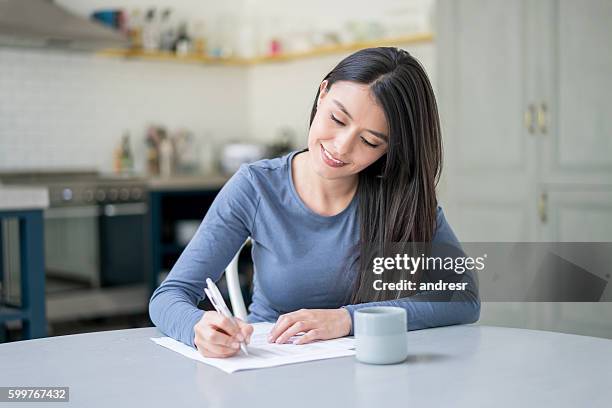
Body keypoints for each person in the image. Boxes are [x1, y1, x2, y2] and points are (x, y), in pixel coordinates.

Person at [149, 47, 480, 358]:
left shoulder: (401, 197)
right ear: (323, 94)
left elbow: (462, 297)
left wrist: (347, 319)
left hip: (373, 372)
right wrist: (198, 328)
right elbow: (169, 296)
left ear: (389, 150)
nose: (341, 147)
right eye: (337, 119)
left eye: (369, 141)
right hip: (271, 367)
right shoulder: (256, 186)